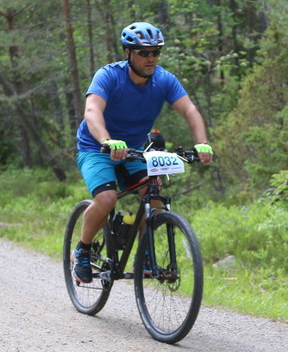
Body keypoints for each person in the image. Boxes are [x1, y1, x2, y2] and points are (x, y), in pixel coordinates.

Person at [71, 21, 213, 283]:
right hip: (96, 147)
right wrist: (107, 140)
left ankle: (144, 257)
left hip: (135, 150)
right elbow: (92, 111)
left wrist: (202, 143)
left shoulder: (164, 80)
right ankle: (82, 249)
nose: (151, 59)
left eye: (155, 52)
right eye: (144, 52)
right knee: (106, 199)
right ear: (128, 52)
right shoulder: (109, 75)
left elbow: (189, 110)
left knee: (155, 199)